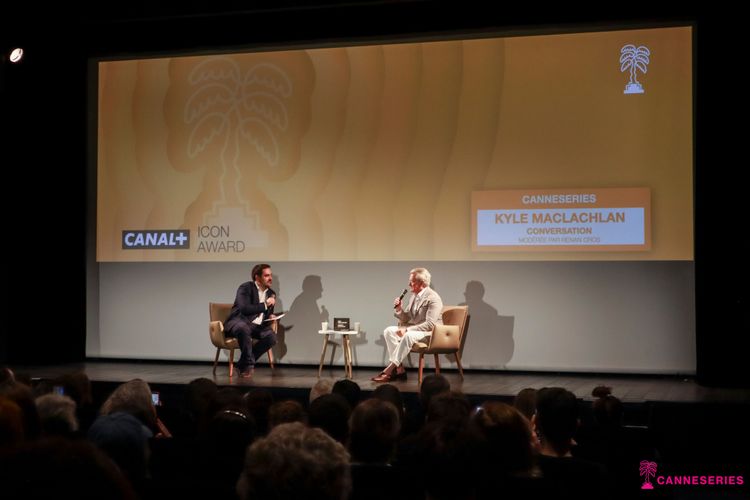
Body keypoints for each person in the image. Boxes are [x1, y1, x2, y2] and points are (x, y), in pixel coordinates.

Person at [372, 267, 443, 383]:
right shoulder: (414, 297)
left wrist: (407, 330)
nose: (409, 284)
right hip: (417, 331)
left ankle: (389, 370)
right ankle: (400, 370)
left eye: (412, 281)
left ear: (422, 283)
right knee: (389, 331)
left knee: (408, 335)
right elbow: (406, 318)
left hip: (431, 333)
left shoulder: (433, 298)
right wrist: (399, 309)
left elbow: (430, 324)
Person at [224, 264, 279, 378]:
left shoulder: (271, 293)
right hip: (238, 322)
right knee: (244, 328)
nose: (270, 278)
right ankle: (247, 366)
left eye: (271, 275)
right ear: (257, 277)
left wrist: (271, 316)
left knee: (271, 337)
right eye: (266, 276)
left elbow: (264, 315)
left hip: (255, 327)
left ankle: (243, 364)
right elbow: (244, 309)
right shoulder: (245, 288)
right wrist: (265, 304)